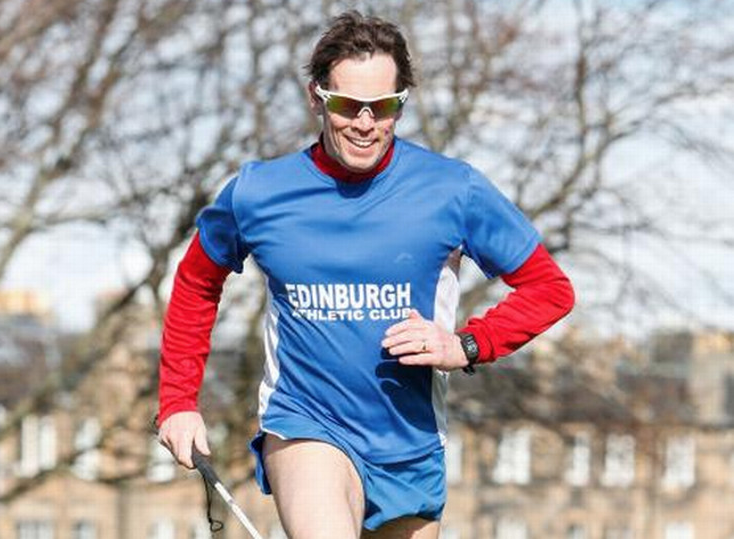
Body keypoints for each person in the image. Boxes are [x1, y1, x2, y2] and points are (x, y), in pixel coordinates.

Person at [157, 10, 574, 539]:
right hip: (306, 423)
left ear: (401, 102)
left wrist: (465, 346)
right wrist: (178, 402)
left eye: (383, 107)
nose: (364, 123)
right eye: (347, 105)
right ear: (317, 98)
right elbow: (196, 282)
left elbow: (550, 289)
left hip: (410, 443)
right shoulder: (258, 193)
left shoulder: (453, 190)